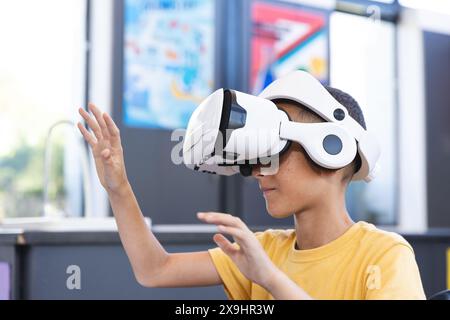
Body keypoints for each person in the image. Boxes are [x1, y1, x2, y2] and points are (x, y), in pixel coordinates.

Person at [77, 75, 425, 300]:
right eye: (258, 154)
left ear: (333, 151)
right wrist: (118, 187)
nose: (260, 170)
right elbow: (154, 270)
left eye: (275, 149)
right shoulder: (265, 250)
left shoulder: (384, 255)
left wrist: (271, 279)